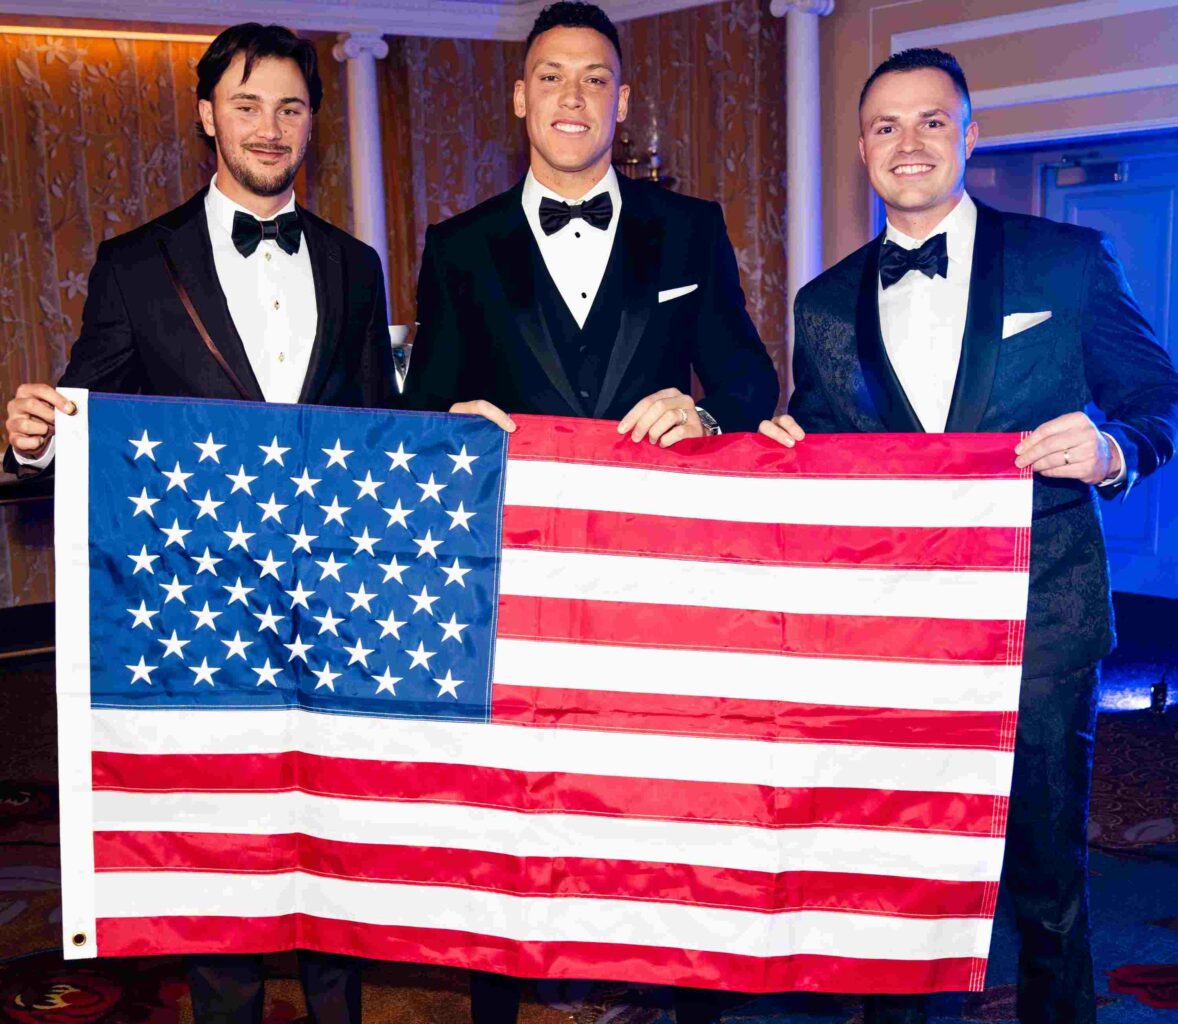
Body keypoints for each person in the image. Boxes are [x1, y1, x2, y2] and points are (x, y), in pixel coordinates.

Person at [760, 47, 1178, 1024]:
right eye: (883, 125)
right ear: (863, 147)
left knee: (1045, 878)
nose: (907, 143)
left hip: (1042, 619)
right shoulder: (822, 305)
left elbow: (1156, 396)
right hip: (890, 635)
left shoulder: (1061, 263)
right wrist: (786, 447)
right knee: (895, 875)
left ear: (968, 135)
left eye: (930, 121)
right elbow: (826, 441)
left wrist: (1114, 447)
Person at [3, 22, 397, 1024]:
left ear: (314, 124)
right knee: (223, 871)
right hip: (199, 618)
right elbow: (90, 410)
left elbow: (372, 437)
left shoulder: (355, 267)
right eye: (248, 102)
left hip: (332, 614)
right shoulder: (137, 264)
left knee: (331, 864)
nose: (270, 127)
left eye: (292, 106)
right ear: (205, 115)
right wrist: (35, 439)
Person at [402, 3, 778, 1021]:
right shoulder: (458, 244)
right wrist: (448, 417)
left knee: (666, 801)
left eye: (594, 78)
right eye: (551, 77)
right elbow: (417, 404)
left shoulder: (689, 227)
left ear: (622, 99)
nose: (572, 97)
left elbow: (753, 381)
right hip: (515, 581)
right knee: (510, 805)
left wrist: (701, 406)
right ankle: (499, 995)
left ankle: (684, 996)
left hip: (657, 582)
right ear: (520, 97)